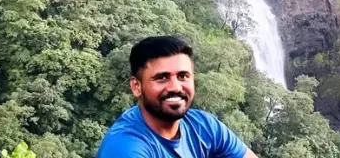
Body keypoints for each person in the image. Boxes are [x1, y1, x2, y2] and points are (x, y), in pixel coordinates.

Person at [97, 36, 258, 158]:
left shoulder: (204, 126)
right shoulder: (125, 148)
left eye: (183, 76)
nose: (175, 87)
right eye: (161, 78)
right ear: (136, 86)